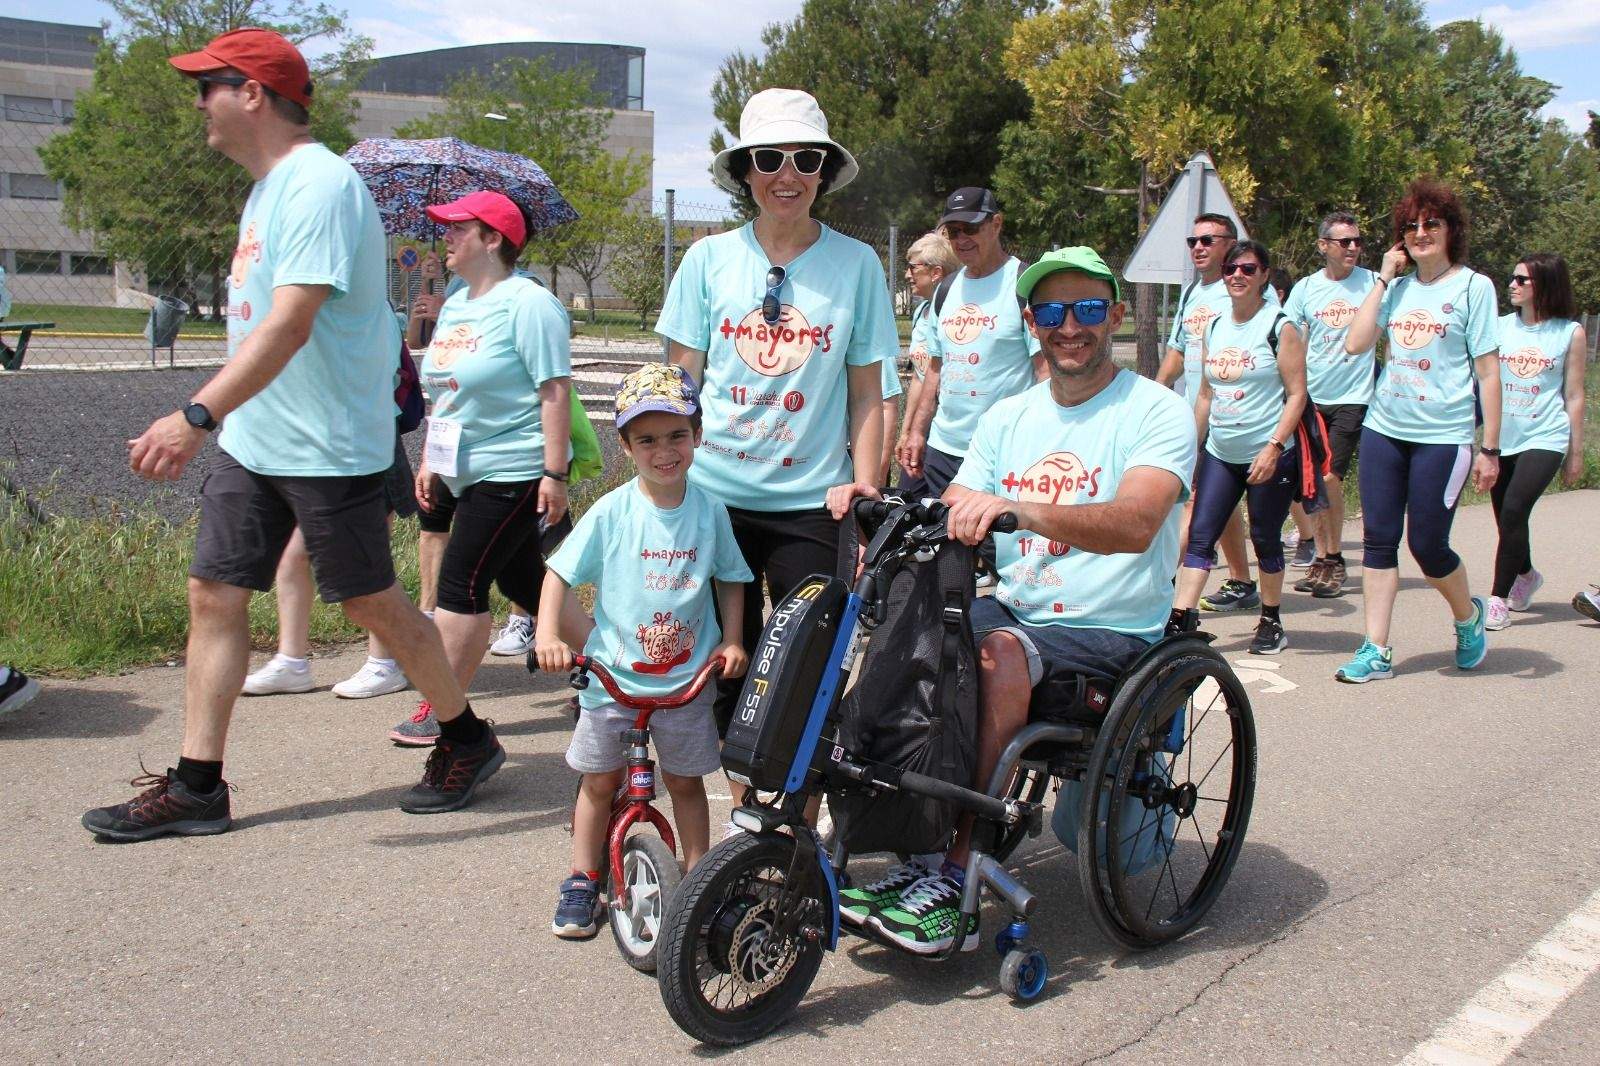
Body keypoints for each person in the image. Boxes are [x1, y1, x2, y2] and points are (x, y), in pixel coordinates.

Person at [82, 29, 492, 842]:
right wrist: (226, 420)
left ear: (252, 94)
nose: (198, 104)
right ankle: (198, 785)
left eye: (207, 86)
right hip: (257, 441)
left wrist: (195, 415)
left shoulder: (319, 185)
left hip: (327, 446)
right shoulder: (268, 190)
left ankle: (467, 738)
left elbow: (292, 322)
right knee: (214, 592)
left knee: (371, 603)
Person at [840, 247, 1195, 953]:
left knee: (998, 653)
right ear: (1031, 323)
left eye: (1087, 309)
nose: (1070, 326)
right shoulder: (1009, 416)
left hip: (1114, 630)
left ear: (1114, 316)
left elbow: (1136, 522)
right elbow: (954, 502)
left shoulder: (1156, 410)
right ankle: (901, 838)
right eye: (1052, 312)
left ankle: (959, 866)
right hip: (1018, 606)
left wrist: (1021, 510)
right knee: (907, 637)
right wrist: (880, 510)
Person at [657, 88, 893, 759]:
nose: (787, 175)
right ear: (745, 172)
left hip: (812, 504)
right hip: (715, 498)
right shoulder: (707, 260)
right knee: (724, 663)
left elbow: (867, 393)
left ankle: (794, 798)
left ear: (823, 172)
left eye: (805, 159)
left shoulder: (856, 265)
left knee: (804, 670)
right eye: (768, 158)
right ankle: (740, 798)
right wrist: (667, 486)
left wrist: (866, 493)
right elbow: (680, 386)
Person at [534, 365, 751, 938]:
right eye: (647, 439)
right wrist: (549, 634)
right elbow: (558, 572)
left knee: (686, 784)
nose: (664, 451)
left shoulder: (710, 511)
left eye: (677, 435)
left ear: (698, 436)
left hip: (686, 682)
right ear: (626, 446)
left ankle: (698, 879)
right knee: (599, 782)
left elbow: (731, 578)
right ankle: (582, 877)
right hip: (613, 680)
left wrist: (732, 638)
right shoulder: (613, 512)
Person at [392, 190, 573, 745]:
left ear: (493, 239)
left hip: (514, 469)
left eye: (458, 228)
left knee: (461, 585)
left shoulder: (530, 304)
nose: (446, 237)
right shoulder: (458, 303)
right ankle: (610, 671)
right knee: (528, 583)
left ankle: (444, 708)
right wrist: (431, 460)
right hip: (463, 470)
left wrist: (554, 474)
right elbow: (446, 394)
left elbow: (554, 391)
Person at [1336, 179, 1501, 682]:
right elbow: (1355, 343)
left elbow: (1489, 373)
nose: (1421, 233)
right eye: (1411, 226)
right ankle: (1375, 648)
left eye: (1432, 223)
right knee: (1379, 541)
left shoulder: (1474, 287)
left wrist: (1490, 448)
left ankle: (1468, 617)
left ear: (1452, 230)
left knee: (1428, 546)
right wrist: (1384, 279)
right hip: (1385, 429)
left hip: (1444, 437)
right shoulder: (1398, 289)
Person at [1171, 241, 1309, 654]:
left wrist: (1274, 447)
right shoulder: (1213, 327)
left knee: (1265, 538)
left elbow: (1297, 395)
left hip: (1267, 454)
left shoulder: (1279, 327)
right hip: (1221, 452)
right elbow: (1205, 395)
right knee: (1200, 535)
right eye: (1231, 268)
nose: (1237, 275)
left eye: (1248, 269)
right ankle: (1181, 620)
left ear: (1263, 275)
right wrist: (1190, 450)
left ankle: (1271, 620)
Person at [242, 434, 418, 699]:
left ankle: (384, 665)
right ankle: (291, 662)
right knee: (292, 556)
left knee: (368, 563)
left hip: (366, 455)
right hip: (325, 458)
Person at [1156, 213, 1271, 612]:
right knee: (1220, 506)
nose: (1198, 248)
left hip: (1239, 423)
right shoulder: (1192, 292)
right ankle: (1242, 581)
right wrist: (1155, 396)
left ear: (1230, 244)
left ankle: (1155, 584)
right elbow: (1178, 351)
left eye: (1208, 240)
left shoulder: (1246, 292)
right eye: (1193, 241)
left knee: (1193, 505)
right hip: (1198, 417)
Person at [897, 188, 1042, 497]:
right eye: (953, 231)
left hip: (1002, 450)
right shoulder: (946, 289)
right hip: (943, 450)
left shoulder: (1023, 284)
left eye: (971, 228)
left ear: (996, 224)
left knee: (989, 530)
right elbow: (935, 370)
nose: (962, 239)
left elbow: (1045, 373)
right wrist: (918, 432)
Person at [1485, 253, 1586, 629]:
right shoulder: (1498, 327)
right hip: (1503, 437)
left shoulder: (1569, 332)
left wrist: (1575, 452)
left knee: (1514, 510)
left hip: (1546, 435)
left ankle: (1497, 599)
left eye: (1521, 280)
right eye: (1512, 278)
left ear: (1544, 284)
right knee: (1506, 519)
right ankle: (1526, 574)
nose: (1512, 285)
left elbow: (1574, 394)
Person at [1284, 211, 1381, 599]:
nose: (1353, 247)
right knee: (1310, 484)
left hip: (1353, 398)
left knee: (1329, 479)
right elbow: (1289, 338)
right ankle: (1321, 558)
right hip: (1312, 398)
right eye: (1344, 241)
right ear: (1323, 245)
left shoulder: (1374, 283)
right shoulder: (1307, 289)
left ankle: (1335, 559)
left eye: (1357, 241)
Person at [893, 231, 959, 489]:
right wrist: (907, 431)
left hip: (947, 431)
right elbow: (920, 378)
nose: (907, 274)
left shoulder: (956, 314)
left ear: (936, 273)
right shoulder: (921, 312)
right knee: (905, 498)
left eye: (913, 267)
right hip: (923, 428)